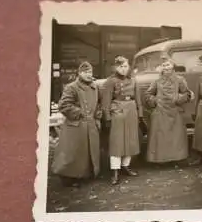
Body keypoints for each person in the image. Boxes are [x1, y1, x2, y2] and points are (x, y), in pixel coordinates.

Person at [51, 61, 102, 186]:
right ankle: (69, 177)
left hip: (90, 125)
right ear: (79, 73)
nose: (88, 75)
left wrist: (97, 115)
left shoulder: (95, 87)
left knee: (89, 152)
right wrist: (79, 112)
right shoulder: (72, 87)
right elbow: (64, 105)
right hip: (76, 126)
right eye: (85, 72)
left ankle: (87, 174)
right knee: (73, 154)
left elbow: (99, 103)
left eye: (90, 72)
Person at [102, 56, 145, 185]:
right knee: (117, 142)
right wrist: (108, 118)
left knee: (130, 140)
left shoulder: (133, 80)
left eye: (126, 66)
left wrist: (140, 114)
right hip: (117, 111)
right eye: (121, 66)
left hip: (131, 111)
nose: (124, 69)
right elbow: (106, 102)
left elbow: (138, 99)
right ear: (116, 67)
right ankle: (115, 170)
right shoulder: (110, 81)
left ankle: (126, 166)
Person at [144, 56, 194, 163]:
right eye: (163, 65)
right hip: (161, 112)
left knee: (176, 136)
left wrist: (178, 99)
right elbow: (148, 94)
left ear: (172, 66)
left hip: (175, 111)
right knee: (161, 136)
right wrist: (155, 100)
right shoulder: (157, 81)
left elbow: (187, 93)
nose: (166, 67)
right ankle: (161, 160)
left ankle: (176, 159)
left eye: (168, 65)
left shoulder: (180, 79)